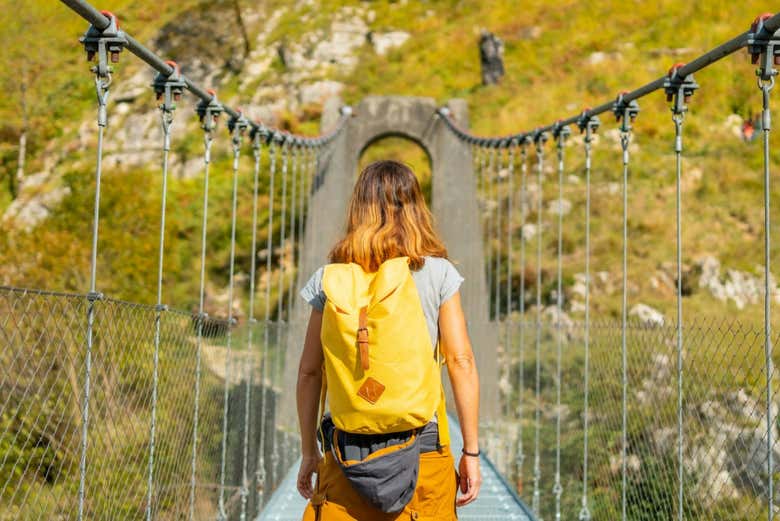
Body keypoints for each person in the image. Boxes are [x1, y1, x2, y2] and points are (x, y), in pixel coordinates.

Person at [295, 160, 482, 520]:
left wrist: (308, 453)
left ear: (358, 209)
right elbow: (461, 362)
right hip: (424, 451)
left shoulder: (328, 279)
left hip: (345, 451)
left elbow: (309, 373)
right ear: (416, 209)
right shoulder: (439, 274)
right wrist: (470, 453)